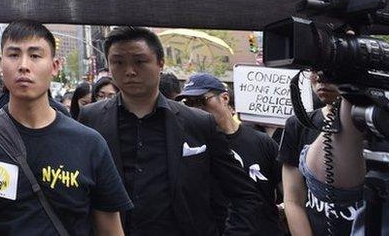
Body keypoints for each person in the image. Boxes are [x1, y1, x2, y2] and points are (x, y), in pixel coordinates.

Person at [0, 20, 131, 235]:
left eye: (35, 55)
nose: (24, 65)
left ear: (55, 66)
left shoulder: (90, 143)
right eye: (14, 54)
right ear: (2, 64)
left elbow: (111, 230)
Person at [77, 26, 261, 236]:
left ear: (160, 63)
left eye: (139, 61)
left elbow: (244, 194)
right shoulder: (91, 118)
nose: (129, 71)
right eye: (118, 62)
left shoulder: (199, 123)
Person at [178, 72, 284, 235]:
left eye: (201, 101)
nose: (196, 109)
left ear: (225, 98)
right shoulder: (190, 150)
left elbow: (289, 192)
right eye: (189, 103)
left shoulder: (262, 142)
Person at [279, 72, 364, 235]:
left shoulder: (383, 123)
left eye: (331, 69)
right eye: (314, 70)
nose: (320, 78)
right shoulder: (298, 125)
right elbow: (293, 200)